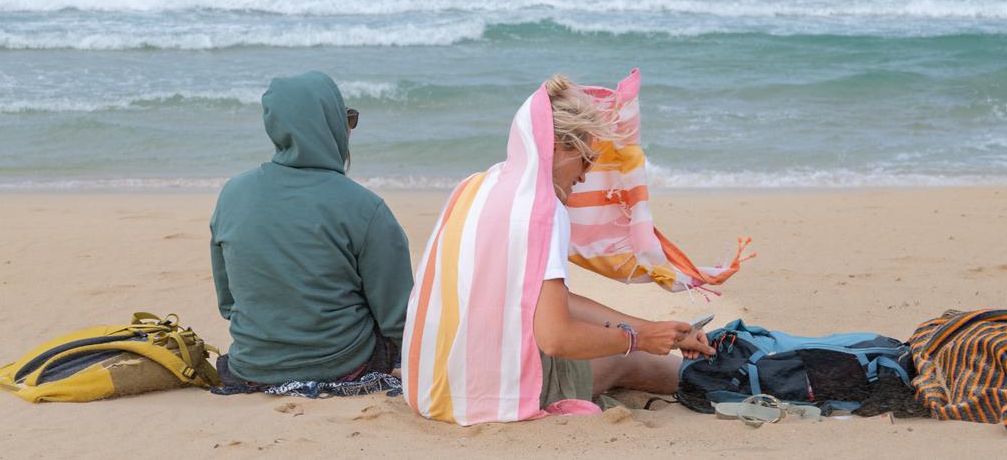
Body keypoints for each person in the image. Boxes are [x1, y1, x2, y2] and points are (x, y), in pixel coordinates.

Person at [402, 74, 714, 425]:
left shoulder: (474, 185)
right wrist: (639, 340)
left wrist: (655, 328)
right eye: (586, 159)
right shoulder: (543, 209)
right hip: (482, 397)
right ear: (559, 147)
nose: (586, 175)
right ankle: (729, 375)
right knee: (627, 360)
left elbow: (549, 303)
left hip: (428, 384)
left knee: (609, 340)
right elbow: (556, 338)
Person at [209, 71, 413, 389]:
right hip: (344, 364)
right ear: (331, 126)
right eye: (348, 118)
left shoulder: (232, 194)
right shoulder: (366, 207)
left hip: (252, 368)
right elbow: (398, 318)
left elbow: (228, 304)